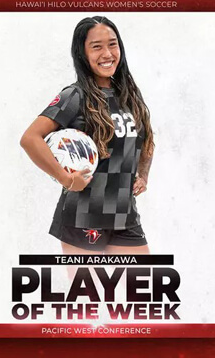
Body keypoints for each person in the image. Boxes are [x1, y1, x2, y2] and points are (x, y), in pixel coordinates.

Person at [20, 16, 155, 255]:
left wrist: (142, 174)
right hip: (83, 217)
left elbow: (146, 141)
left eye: (112, 44)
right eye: (96, 46)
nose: (107, 53)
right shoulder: (75, 96)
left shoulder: (130, 96)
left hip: (125, 218)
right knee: (89, 293)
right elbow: (30, 138)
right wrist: (65, 178)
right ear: (82, 53)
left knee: (141, 292)